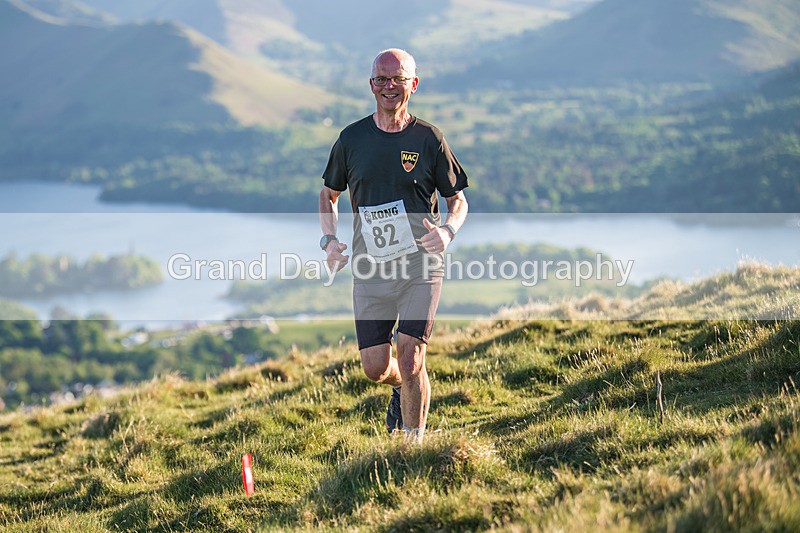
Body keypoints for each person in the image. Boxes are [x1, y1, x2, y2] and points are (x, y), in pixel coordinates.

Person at [318, 48, 469, 444]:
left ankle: (412, 445)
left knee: (411, 354)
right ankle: (402, 386)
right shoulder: (351, 139)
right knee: (375, 367)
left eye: (398, 78)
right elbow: (328, 195)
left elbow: (458, 201)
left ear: (413, 85)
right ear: (371, 85)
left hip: (421, 266)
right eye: (382, 79)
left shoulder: (429, 138)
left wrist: (448, 231)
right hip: (371, 270)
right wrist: (330, 241)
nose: (390, 86)